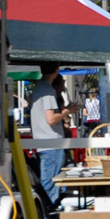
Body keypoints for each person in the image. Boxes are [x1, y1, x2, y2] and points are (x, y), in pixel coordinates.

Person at [30, 66, 68, 205]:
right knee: (51, 181)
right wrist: (66, 111)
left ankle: (47, 210)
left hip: (44, 142)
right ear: (56, 69)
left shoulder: (40, 88)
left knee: (49, 180)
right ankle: (48, 211)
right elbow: (51, 119)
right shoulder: (47, 91)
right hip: (51, 142)